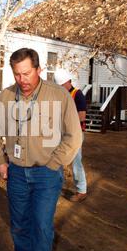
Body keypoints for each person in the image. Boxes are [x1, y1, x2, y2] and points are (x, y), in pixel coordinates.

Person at [0, 48, 81, 251]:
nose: (22, 80)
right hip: (16, 173)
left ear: (39, 69)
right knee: (19, 226)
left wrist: (55, 163)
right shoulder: (5, 96)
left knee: (41, 226)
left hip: (46, 173)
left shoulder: (59, 95)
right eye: (17, 74)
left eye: (27, 73)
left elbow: (74, 135)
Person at [54, 68, 88, 202]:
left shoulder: (77, 94)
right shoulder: (59, 95)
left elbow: (82, 116)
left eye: (61, 85)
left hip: (75, 134)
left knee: (76, 161)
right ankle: (55, 188)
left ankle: (81, 190)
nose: (60, 88)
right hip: (59, 132)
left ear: (68, 81)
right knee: (57, 160)